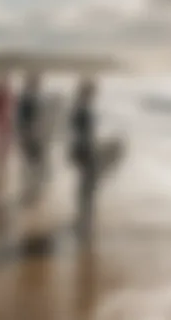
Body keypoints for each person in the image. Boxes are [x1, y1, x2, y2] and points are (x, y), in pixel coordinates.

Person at [70, 79, 97, 241]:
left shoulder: (80, 108)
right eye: (91, 92)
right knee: (86, 186)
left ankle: (82, 218)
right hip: (84, 151)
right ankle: (83, 219)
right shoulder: (82, 110)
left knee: (85, 185)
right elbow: (81, 135)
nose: (93, 95)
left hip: (81, 150)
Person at [17, 73, 44, 205]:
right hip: (30, 136)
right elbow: (24, 120)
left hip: (31, 136)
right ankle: (30, 192)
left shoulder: (29, 97)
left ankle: (31, 191)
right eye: (36, 82)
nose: (38, 85)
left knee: (31, 166)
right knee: (31, 165)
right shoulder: (28, 98)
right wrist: (26, 136)